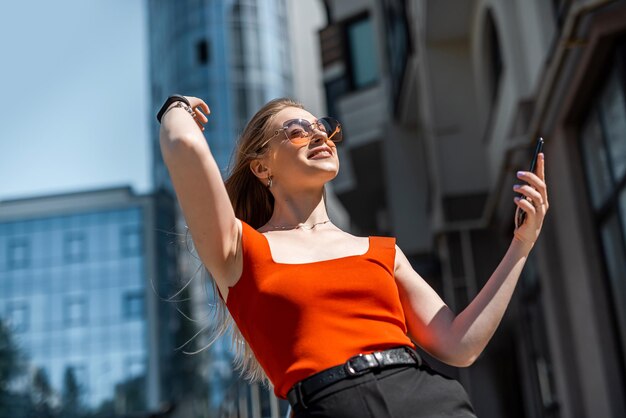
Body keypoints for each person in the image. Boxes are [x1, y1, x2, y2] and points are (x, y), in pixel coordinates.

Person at [157, 95, 549, 417]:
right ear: (261, 167)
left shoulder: (383, 252)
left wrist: (522, 244)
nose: (319, 136)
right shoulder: (239, 249)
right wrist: (175, 110)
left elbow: (460, 345)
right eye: (296, 131)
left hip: (428, 400)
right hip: (331, 404)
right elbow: (185, 146)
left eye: (323, 127)